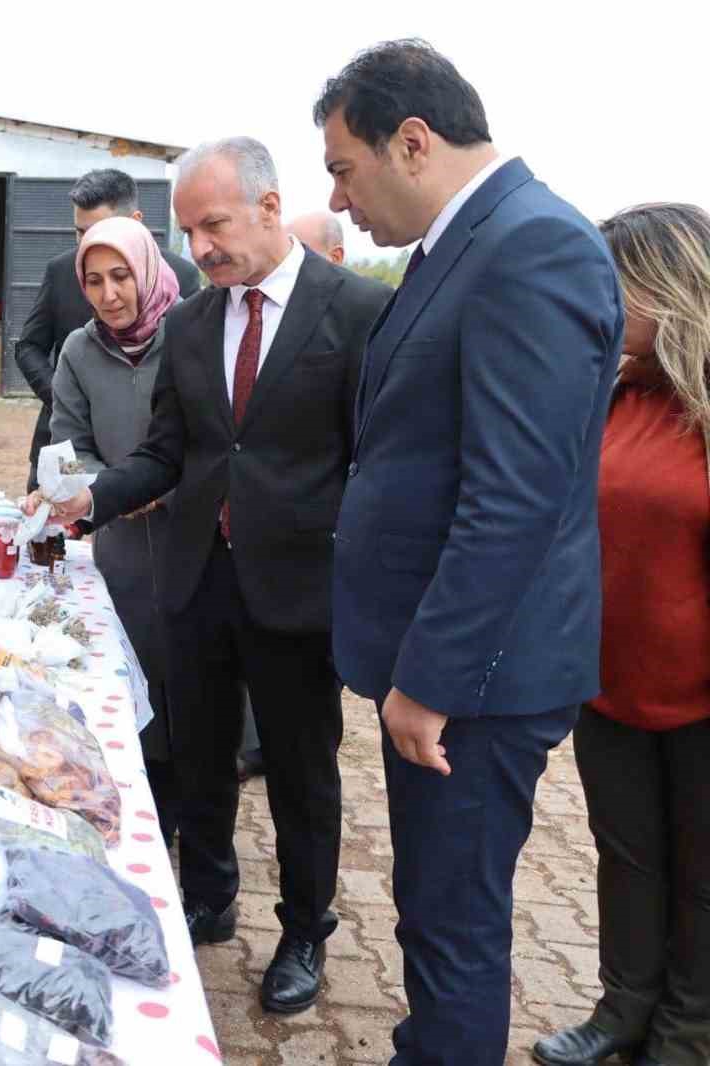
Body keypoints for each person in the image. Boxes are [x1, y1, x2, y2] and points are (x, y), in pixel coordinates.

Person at [314, 40, 624, 1066]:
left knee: (452, 925)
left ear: (412, 142)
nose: (339, 198)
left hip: (476, 681)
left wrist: (430, 679)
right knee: (430, 910)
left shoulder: (533, 245)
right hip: (454, 667)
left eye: (342, 168)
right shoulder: (465, 244)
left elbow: (515, 496)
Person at [28, 137, 390, 1013]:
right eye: (188, 231)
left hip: (298, 589)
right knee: (200, 753)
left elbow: (375, 460)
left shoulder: (356, 314)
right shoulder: (193, 321)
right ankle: (210, 896)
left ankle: (305, 930)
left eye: (214, 225)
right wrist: (91, 501)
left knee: (303, 770)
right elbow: (167, 451)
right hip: (195, 576)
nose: (202, 249)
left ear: (270, 206)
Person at [532, 203, 710, 1066]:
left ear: (669, 288)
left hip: (702, 696)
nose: (597, 304)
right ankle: (622, 1012)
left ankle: (685, 1033)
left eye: (614, 287)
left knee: (703, 882)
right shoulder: (614, 395)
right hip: (609, 682)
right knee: (627, 857)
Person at [46, 215, 183, 838]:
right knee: (134, 677)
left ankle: (201, 833)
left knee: (196, 686)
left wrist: (161, 484)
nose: (108, 294)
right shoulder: (79, 350)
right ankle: (146, 818)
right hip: (122, 542)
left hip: (196, 537)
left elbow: (217, 436)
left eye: (121, 276)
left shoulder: (192, 334)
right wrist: (112, 489)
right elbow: (68, 444)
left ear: (148, 270)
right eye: (94, 281)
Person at [15, 168, 202, 492]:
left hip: (158, 480)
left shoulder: (183, 284)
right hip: (68, 454)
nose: (108, 295)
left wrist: (144, 489)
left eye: (121, 276)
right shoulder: (63, 273)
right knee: (52, 534)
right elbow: (28, 346)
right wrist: (67, 396)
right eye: (80, 232)